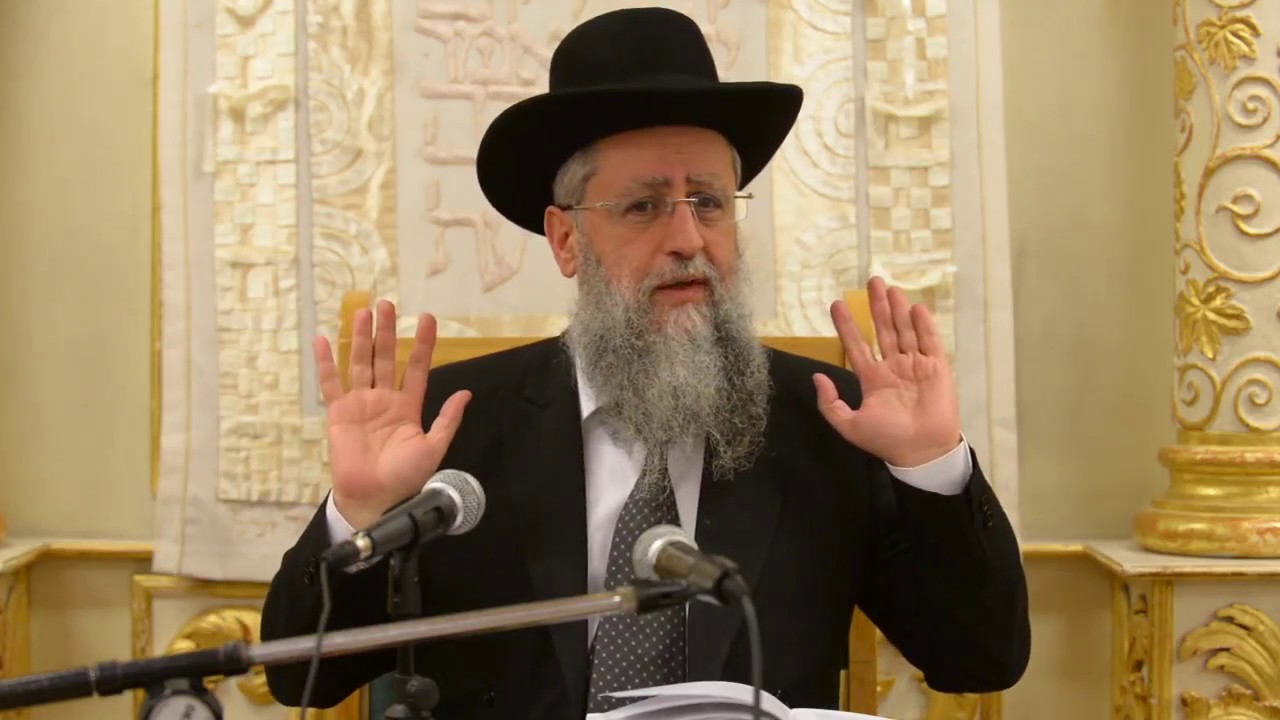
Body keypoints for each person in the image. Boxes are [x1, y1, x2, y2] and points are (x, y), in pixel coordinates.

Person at [261, 6, 1029, 718]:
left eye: (710, 202)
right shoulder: (451, 430)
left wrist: (931, 468)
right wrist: (359, 516)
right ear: (566, 240)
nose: (689, 239)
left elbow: (980, 658)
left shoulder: (831, 422)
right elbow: (303, 676)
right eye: (643, 206)